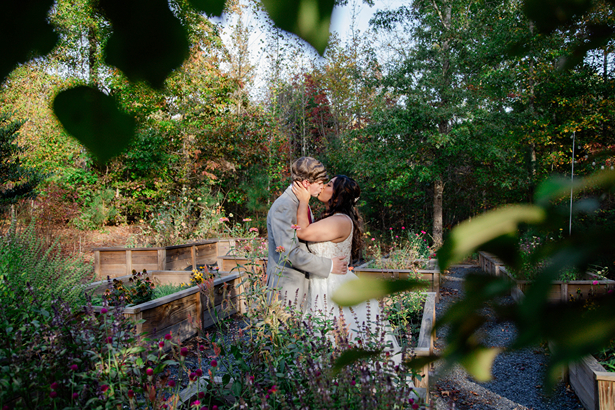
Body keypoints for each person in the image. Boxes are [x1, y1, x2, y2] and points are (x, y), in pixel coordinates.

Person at [292, 175, 401, 357]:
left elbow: (302, 232)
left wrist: (304, 200)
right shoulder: (331, 218)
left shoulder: (341, 221)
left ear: (338, 195)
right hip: (323, 281)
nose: (323, 186)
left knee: (341, 339)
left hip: (333, 286)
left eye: (329, 185)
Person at [266, 157, 348, 311]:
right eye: (320, 183)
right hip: (287, 289)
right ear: (306, 183)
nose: (322, 187)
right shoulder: (284, 206)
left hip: (303, 287)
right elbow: (289, 252)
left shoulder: (301, 202)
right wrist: (329, 265)